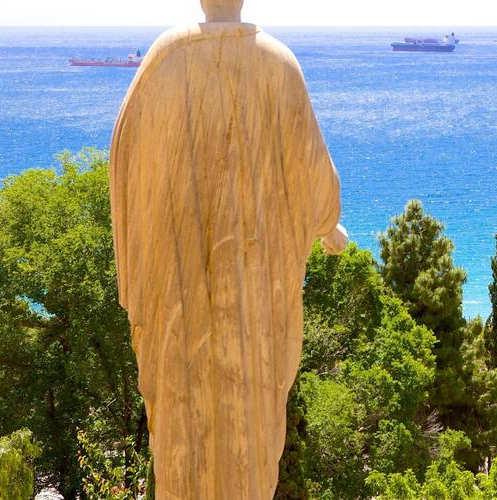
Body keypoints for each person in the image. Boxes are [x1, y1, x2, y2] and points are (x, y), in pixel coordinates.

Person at [109, 0, 346, 497]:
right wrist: (327, 227)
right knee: (249, 430)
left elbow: (126, 160)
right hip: (253, 297)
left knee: (184, 431)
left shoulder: (166, 56)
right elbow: (312, 170)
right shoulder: (278, 62)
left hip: (179, 295)